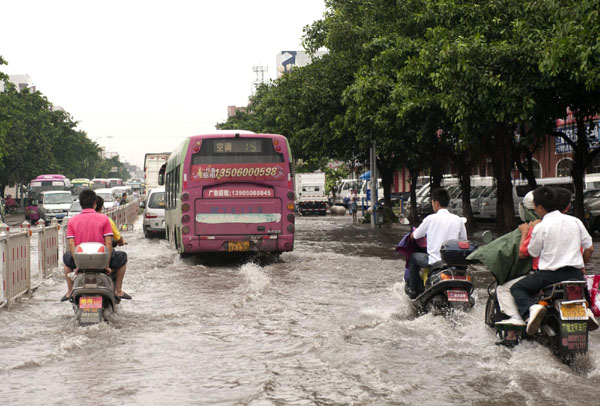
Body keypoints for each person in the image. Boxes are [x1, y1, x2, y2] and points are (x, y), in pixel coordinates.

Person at [511, 186, 594, 336]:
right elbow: (590, 248)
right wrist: (581, 265)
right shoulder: (575, 221)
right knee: (581, 287)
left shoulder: (541, 226)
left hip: (548, 276)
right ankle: (586, 310)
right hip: (574, 274)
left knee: (517, 288)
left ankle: (532, 310)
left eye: (535, 206)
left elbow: (532, 252)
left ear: (540, 207)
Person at [61, 189, 130, 302]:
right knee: (123, 257)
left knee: (66, 260)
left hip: (81, 260)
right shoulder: (104, 219)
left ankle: (70, 291)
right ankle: (118, 290)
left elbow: (71, 244)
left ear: (80, 203)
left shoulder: (72, 221)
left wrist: (78, 264)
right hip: (101, 260)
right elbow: (108, 242)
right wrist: (106, 264)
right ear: (95, 203)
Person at [407, 187, 467, 299]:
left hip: (434, 261)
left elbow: (416, 235)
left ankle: (413, 291)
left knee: (413, 258)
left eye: (432, 202)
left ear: (437, 203)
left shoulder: (430, 219)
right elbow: (464, 241)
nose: (432, 204)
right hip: (453, 263)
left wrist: (410, 236)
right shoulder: (458, 220)